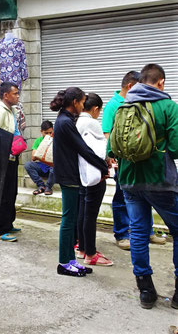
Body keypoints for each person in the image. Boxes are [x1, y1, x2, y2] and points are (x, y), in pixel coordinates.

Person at [108, 63, 178, 309]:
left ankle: (145, 290)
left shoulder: (122, 107)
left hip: (128, 180)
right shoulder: (169, 107)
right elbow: (177, 147)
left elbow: (111, 149)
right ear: (160, 83)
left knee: (137, 232)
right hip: (160, 181)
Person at [102, 71, 165, 249]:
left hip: (142, 163)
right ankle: (122, 234)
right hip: (123, 163)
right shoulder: (113, 105)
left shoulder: (140, 102)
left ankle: (148, 232)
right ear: (131, 86)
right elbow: (108, 134)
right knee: (121, 199)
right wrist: (113, 159)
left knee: (145, 197)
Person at [51, 87, 109, 277]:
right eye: (83, 102)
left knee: (72, 219)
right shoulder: (65, 122)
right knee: (68, 220)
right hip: (69, 177)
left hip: (70, 175)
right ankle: (63, 263)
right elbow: (83, 149)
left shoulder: (65, 120)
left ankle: (70, 260)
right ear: (75, 102)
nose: (84, 106)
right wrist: (103, 166)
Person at [76, 93, 113, 266]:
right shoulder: (91, 122)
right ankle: (91, 254)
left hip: (82, 175)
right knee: (90, 215)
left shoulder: (76, 121)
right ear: (96, 109)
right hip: (94, 176)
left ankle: (83, 248)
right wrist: (105, 166)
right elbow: (100, 151)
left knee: (83, 212)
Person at [0, 81, 21, 242]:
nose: (18, 96)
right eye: (15, 93)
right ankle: (0, 229)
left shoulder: (11, 110)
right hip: (5, 157)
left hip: (13, 156)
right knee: (4, 193)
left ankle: (9, 223)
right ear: (6, 95)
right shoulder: (1, 110)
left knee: (12, 191)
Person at [25, 120, 55, 196]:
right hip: (42, 166)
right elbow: (33, 157)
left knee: (56, 166)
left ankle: (48, 187)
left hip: (53, 168)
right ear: (41, 131)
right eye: (46, 133)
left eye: (50, 132)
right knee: (28, 165)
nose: (49, 135)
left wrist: (41, 156)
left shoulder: (56, 140)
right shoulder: (38, 141)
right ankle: (41, 185)